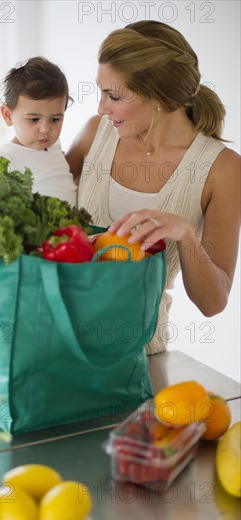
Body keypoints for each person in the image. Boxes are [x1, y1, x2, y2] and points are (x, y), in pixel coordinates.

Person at [66, 20, 240, 354]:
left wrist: (186, 233)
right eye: (101, 92)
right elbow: (45, 209)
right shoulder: (95, 133)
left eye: (113, 95)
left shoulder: (222, 168)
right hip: (61, 343)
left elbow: (213, 302)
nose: (102, 107)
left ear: (157, 95)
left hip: (139, 359)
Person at [0, 56, 77, 206]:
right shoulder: (2, 160)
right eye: (34, 119)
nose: (45, 129)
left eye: (55, 119)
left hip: (74, 228)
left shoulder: (54, 147)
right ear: (8, 115)